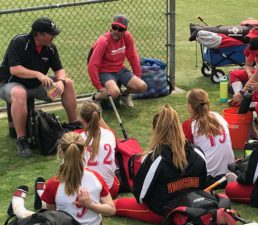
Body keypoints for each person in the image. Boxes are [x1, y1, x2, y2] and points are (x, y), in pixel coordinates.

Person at [0, 17, 79, 158]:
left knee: (68, 83)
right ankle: (21, 140)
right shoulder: (19, 42)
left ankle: (73, 125)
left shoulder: (50, 48)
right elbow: (14, 70)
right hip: (9, 84)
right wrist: (37, 74)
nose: (54, 36)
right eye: (51, 33)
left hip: (36, 87)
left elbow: (59, 69)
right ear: (40, 35)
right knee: (20, 93)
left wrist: (60, 81)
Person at [114, 105, 207, 224]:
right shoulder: (197, 152)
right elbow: (202, 186)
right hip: (193, 207)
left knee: (117, 204)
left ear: (156, 131)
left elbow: (141, 197)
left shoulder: (155, 158)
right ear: (178, 127)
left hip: (164, 212)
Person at [8, 132, 116, 225]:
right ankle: (39, 194)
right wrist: (91, 205)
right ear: (84, 151)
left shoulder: (54, 183)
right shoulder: (96, 178)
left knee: (31, 216)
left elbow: (52, 213)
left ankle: (19, 204)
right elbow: (111, 210)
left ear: (61, 152)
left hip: (58, 213)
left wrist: (88, 205)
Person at [88, 14, 147, 108]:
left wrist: (138, 75)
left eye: (120, 29)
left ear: (125, 30)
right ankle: (95, 98)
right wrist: (99, 87)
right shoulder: (103, 41)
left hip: (120, 70)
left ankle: (125, 95)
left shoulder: (127, 37)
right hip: (105, 72)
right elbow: (92, 65)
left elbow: (132, 56)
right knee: (115, 92)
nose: (116, 31)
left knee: (142, 86)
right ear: (111, 27)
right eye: (114, 27)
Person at [182, 89, 235, 186]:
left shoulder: (189, 125)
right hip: (230, 170)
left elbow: (183, 154)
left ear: (190, 106)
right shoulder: (218, 116)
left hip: (208, 177)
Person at [79, 102, 119, 198]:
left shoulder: (78, 137)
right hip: (110, 191)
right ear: (99, 118)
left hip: (86, 192)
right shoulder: (110, 134)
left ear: (83, 120)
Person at [228, 27, 258, 106]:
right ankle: (238, 97)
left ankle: (243, 99)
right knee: (234, 73)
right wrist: (250, 74)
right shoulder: (250, 48)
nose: (251, 41)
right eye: (250, 38)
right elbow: (248, 65)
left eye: (253, 38)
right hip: (256, 74)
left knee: (256, 96)